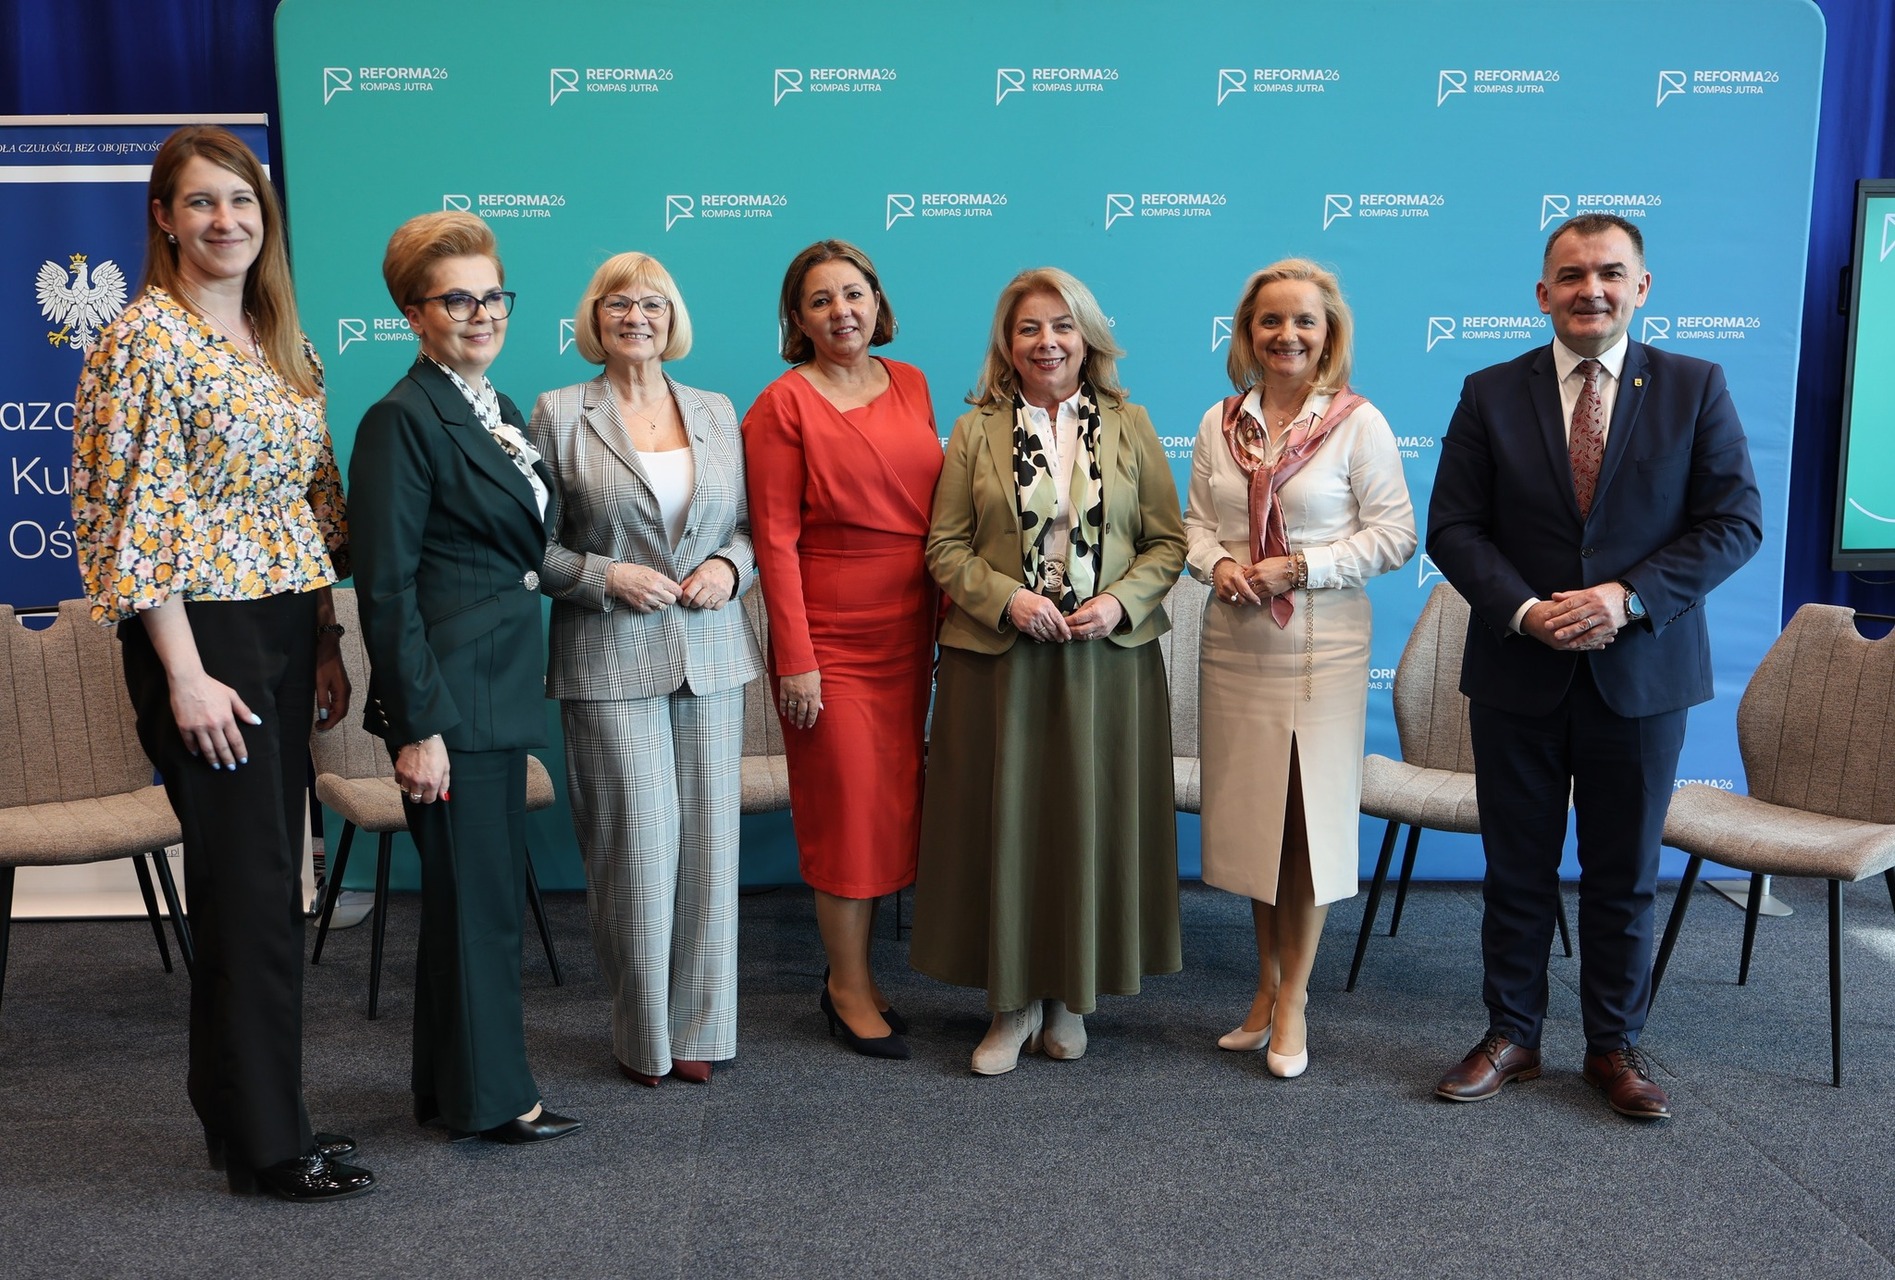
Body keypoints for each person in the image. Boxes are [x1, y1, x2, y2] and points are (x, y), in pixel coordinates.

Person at [71, 124, 373, 1201]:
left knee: (271, 883)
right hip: (202, 636)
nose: (225, 220)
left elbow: (314, 504)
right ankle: (266, 1147)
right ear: (163, 217)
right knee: (248, 891)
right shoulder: (140, 342)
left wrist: (327, 638)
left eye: (241, 201)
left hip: (287, 623)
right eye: (201, 201)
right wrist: (187, 675)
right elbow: (130, 523)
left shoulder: (278, 337)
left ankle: (253, 1110)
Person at [1426, 214, 1761, 1120]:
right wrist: (1527, 610)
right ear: (1543, 293)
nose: (1591, 290)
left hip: (1641, 674)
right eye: (1571, 275)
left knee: (1622, 874)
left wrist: (1625, 597)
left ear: (1640, 288)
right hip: (1517, 671)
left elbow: (1733, 523)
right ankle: (1511, 1035)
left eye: (1610, 273)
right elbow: (1453, 527)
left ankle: (1612, 1046)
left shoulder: (1693, 386)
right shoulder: (1489, 392)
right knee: (1515, 870)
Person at [909, 267, 1187, 1076]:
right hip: (1001, 663)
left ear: (1087, 336)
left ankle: (1069, 998)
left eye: (1062, 325)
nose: (1046, 342)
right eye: (1028, 327)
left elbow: (1166, 542)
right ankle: (1009, 1005)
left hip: (1106, 662)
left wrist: (1119, 603)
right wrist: (1007, 599)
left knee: (1084, 827)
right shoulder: (975, 430)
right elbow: (944, 547)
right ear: (1008, 343)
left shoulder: (1131, 424)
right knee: (1007, 829)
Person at [349, 212, 581, 1144]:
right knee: (480, 907)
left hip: (496, 683)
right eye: (457, 300)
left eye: (493, 296)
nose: (482, 314)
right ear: (413, 312)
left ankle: (452, 1092)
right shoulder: (402, 419)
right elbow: (386, 587)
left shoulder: (496, 407)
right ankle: (496, 1101)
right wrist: (417, 726)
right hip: (453, 699)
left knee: (466, 902)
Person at [528, 252, 762, 1087]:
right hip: (607, 654)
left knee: (707, 851)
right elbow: (531, 548)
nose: (637, 317)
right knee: (635, 848)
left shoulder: (715, 409)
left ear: (673, 317)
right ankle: (643, 1035)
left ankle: (702, 1028)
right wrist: (605, 576)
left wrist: (729, 569)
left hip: (710, 652)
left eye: (653, 304)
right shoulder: (558, 411)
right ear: (594, 318)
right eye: (618, 303)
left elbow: (746, 529)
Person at [1184, 259, 1416, 1079]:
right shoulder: (1219, 423)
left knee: (1306, 825)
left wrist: (1303, 566)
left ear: (1327, 335)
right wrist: (1217, 564)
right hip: (1236, 642)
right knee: (1257, 822)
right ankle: (1261, 988)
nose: (1286, 335)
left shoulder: (1357, 422)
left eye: (1303, 321)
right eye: (1270, 321)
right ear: (1247, 334)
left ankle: (1295, 999)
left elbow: (1395, 536)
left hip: (1321, 645)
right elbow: (1194, 526)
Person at [742, 240, 941, 1060]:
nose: (841, 312)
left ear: (876, 301)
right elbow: (774, 541)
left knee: (890, 806)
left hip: (912, 629)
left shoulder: (913, 383)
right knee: (845, 813)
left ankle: (859, 973)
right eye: (820, 300)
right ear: (797, 318)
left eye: (853, 294)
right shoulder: (780, 405)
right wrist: (796, 657)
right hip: (829, 640)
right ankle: (846, 987)